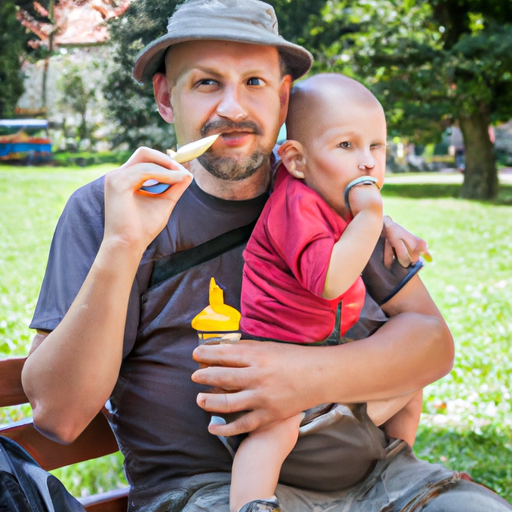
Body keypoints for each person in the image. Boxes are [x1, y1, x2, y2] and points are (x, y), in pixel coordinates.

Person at [20, 1, 511, 511]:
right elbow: (60, 415)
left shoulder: (326, 188)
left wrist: (298, 376)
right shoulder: (107, 210)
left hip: (383, 483)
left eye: (254, 82)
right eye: (206, 82)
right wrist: (123, 245)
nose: (233, 108)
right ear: (167, 97)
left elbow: (433, 344)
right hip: (207, 493)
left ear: (282, 96)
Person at [232, 73, 422, 512]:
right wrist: (372, 218)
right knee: (272, 434)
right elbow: (331, 280)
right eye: (346, 146)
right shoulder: (294, 203)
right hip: (275, 351)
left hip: (326, 344)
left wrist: (387, 223)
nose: (368, 163)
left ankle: (396, 461)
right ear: (297, 161)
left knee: (410, 385)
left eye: (377, 146)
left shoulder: (324, 188)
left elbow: (346, 214)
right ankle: (251, 504)